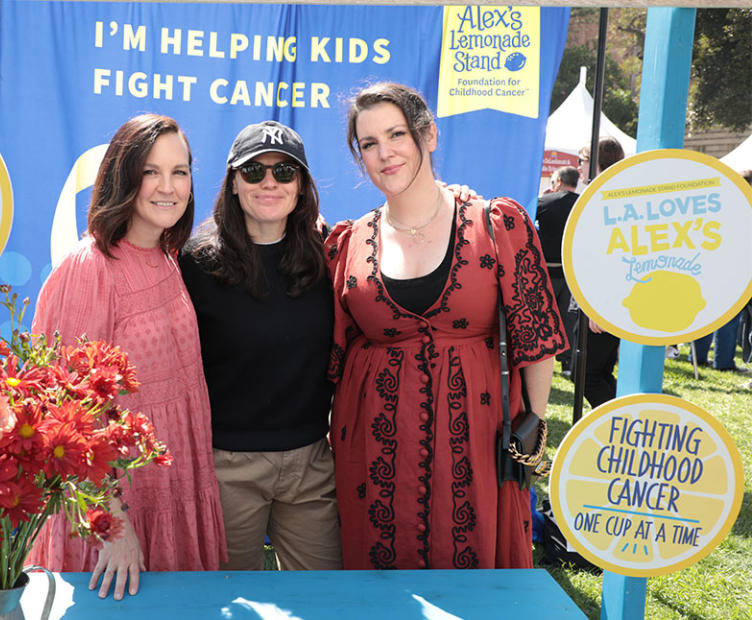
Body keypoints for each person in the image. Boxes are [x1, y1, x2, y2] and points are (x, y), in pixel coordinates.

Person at [325, 82, 567, 570]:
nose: (384, 153)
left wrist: (533, 423)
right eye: (368, 144)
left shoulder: (496, 224)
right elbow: (335, 350)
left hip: (479, 437)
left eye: (396, 135)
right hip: (376, 444)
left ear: (428, 135)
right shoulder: (348, 242)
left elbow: (536, 338)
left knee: (477, 574)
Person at [28, 114, 226, 599]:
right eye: (151, 171)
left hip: (173, 484)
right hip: (118, 510)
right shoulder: (89, 267)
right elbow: (65, 415)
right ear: (123, 175)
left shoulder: (166, 254)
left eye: (180, 171)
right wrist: (111, 526)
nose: (169, 186)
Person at [179, 121, 341, 571]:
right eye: (253, 172)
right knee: (232, 604)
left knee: (324, 598)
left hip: (311, 461)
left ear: (302, 187)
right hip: (226, 465)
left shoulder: (330, 256)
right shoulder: (194, 263)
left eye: (284, 172)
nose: (269, 182)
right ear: (233, 183)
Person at [581, 137, 625, 407]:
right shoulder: (611, 193)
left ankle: (623, 421)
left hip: (604, 299)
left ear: (596, 163)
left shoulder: (607, 196)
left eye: (582, 160)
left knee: (588, 374)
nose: (578, 165)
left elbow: (609, 256)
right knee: (594, 371)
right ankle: (622, 421)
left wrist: (597, 307)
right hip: (602, 297)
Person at [535, 165, 581, 375]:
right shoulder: (583, 204)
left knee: (542, 315)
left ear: (559, 181)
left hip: (547, 270)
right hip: (572, 272)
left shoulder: (544, 202)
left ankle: (540, 355)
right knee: (568, 318)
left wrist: (541, 197)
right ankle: (567, 363)